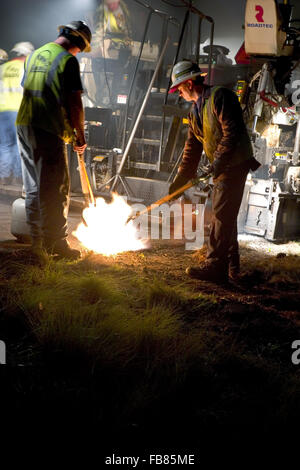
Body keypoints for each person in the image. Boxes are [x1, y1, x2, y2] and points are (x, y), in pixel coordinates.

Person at [168, 60, 260, 283]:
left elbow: (232, 132)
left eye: (179, 88)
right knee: (224, 216)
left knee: (220, 215)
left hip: (235, 165)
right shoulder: (195, 110)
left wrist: (215, 164)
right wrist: (182, 178)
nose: (179, 94)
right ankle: (233, 269)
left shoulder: (220, 97)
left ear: (189, 83)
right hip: (222, 167)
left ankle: (215, 266)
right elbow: (192, 147)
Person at [16, 21, 92, 259]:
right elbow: (74, 103)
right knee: (55, 187)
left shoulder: (35, 54)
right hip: (47, 129)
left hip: (24, 124)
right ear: (78, 42)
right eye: (80, 49)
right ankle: (55, 245)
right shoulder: (67, 60)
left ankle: (37, 242)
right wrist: (79, 135)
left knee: (33, 187)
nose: (78, 53)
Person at [0, 42, 34, 184]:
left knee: (5, 145)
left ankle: (4, 176)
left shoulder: (4, 67)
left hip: (2, 110)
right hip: (19, 110)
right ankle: (20, 177)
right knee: (20, 144)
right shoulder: (26, 67)